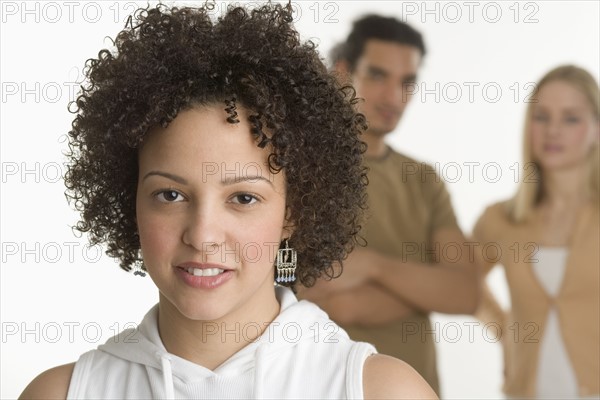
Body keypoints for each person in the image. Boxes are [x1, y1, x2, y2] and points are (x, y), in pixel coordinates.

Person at [18, 3, 438, 400]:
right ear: (131, 201)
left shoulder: (379, 391)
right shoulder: (64, 393)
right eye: (170, 195)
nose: (202, 236)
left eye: (242, 197)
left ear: (294, 212)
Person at [298, 15, 480, 395]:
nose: (394, 97)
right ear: (344, 72)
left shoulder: (425, 181)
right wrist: (422, 288)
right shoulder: (302, 169)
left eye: (407, 82)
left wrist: (370, 267)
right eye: (379, 75)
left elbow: (465, 292)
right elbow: (293, 293)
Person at [473, 65, 599, 398]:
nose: (553, 131)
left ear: (596, 129)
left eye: (570, 118)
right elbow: (461, 281)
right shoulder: (500, 219)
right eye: (541, 117)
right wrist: (502, 328)